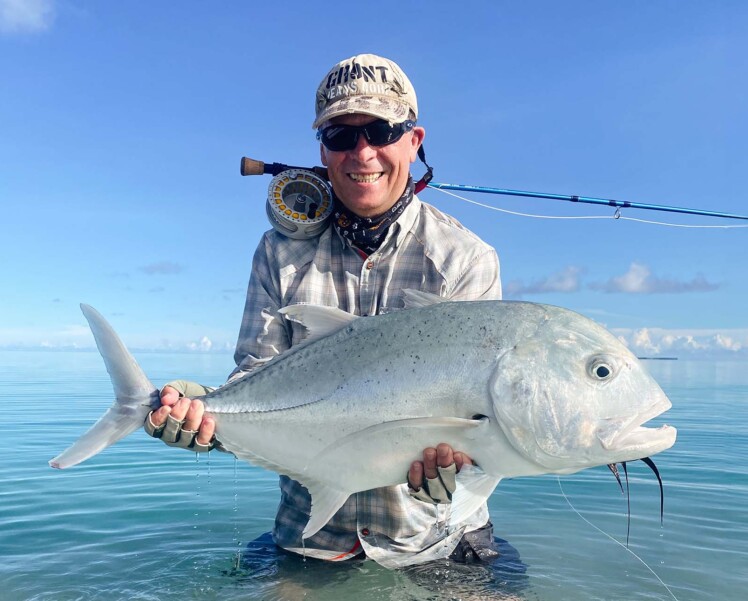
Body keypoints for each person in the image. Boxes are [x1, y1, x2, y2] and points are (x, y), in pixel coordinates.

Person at [145, 53, 502, 567]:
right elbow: (258, 383)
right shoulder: (279, 253)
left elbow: (476, 413)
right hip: (312, 534)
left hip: (438, 537)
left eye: (380, 131)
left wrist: (466, 456)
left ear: (414, 141)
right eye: (341, 136)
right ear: (322, 149)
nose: (363, 153)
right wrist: (206, 410)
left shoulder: (464, 259)